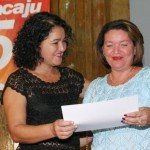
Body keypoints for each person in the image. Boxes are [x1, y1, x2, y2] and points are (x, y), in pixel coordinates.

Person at [1, 12, 92, 150]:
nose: (62, 48)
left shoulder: (71, 78)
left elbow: (103, 93)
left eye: (64, 41)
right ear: (36, 45)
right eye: (55, 42)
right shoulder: (20, 81)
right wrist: (52, 130)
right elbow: (16, 132)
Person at [83, 19, 150, 150]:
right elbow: (87, 134)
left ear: (135, 49)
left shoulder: (147, 77)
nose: (116, 51)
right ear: (102, 50)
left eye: (124, 44)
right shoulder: (95, 87)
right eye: (109, 45)